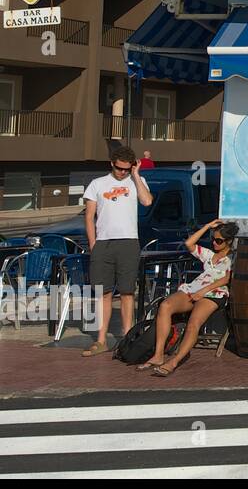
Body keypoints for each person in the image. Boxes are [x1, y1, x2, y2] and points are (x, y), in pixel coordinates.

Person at [81, 147, 154, 356]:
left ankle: (126, 338)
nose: (122, 172)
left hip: (129, 242)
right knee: (103, 293)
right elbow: (89, 217)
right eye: (119, 168)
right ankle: (101, 340)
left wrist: (136, 175)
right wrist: (93, 244)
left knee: (127, 292)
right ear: (111, 164)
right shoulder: (97, 184)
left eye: (126, 169)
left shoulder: (135, 181)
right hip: (103, 243)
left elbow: (147, 201)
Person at [142, 220, 238, 376]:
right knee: (165, 305)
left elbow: (227, 279)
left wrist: (204, 290)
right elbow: (189, 243)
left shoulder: (233, 258)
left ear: (229, 241)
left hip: (215, 292)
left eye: (219, 240)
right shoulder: (209, 255)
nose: (214, 242)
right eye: (213, 239)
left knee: (194, 323)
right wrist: (207, 227)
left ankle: (173, 362)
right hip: (194, 289)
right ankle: (158, 355)